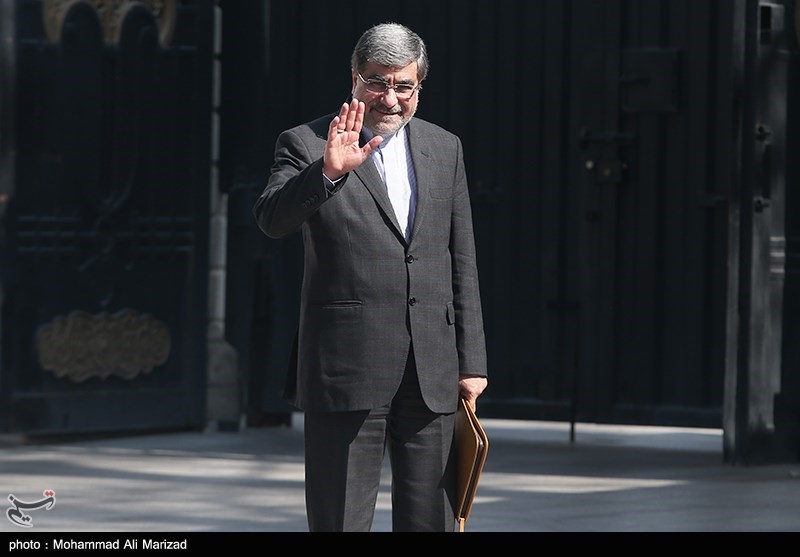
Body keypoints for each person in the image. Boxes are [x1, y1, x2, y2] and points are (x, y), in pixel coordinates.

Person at [253, 22, 488, 532]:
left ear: (419, 86)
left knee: (431, 520)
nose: (390, 98)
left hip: (432, 368)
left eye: (404, 85)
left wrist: (471, 362)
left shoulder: (445, 147)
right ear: (354, 78)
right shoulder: (307, 142)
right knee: (340, 518)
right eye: (377, 82)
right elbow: (271, 219)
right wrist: (327, 173)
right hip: (346, 364)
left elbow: (461, 257)